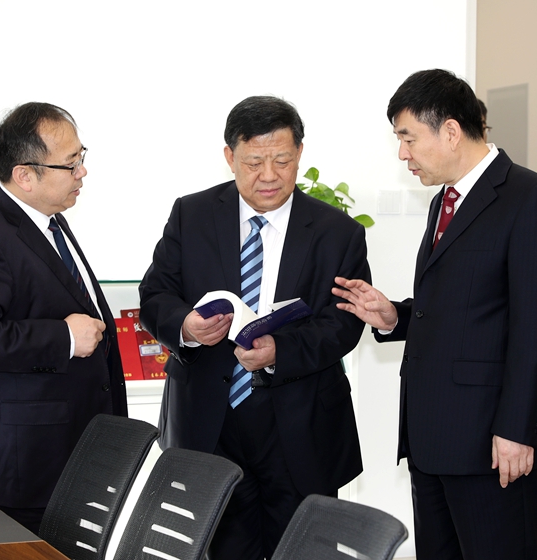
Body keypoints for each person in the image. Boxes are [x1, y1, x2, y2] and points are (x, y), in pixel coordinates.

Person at [333, 69, 537, 560]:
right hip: (431, 439)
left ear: (449, 130)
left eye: (408, 138)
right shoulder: (445, 200)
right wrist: (394, 317)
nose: (402, 154)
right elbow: (464, 310)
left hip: (491, 444)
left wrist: (517, 430)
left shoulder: (532, 198)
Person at [139, 95, 370, 560]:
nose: (269, 175)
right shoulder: (191, 215)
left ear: (300, 153)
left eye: (282, 160)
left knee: (304, 551)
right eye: (253, 162)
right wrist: (186, 326)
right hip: (211, 422)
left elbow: (342, 324)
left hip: (301, 422)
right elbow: (155, 295)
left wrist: (280, 351)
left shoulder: (337, 232)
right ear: (230, 157)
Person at [0, 102, 128, 534]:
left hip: (73, 453)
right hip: (27, 470)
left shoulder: (46, 220)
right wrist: (64, 338)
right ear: (25, 176)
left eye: (82, 157)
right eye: (70, 163)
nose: (82, 172)